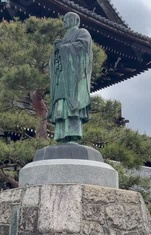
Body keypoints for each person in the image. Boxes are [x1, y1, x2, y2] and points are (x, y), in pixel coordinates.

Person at [48, 12, 93, 143]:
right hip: (62, 77)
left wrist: (63, 47)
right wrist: (56, 50)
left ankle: (74, 135)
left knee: (72, 108)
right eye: (64, 19)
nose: (65, 21)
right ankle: (61, 135)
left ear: (76, 20)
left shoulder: (82, 32)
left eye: (67, 19)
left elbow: (82, 48)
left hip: (74, 79)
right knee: (61, 106)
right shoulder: (64, 37)